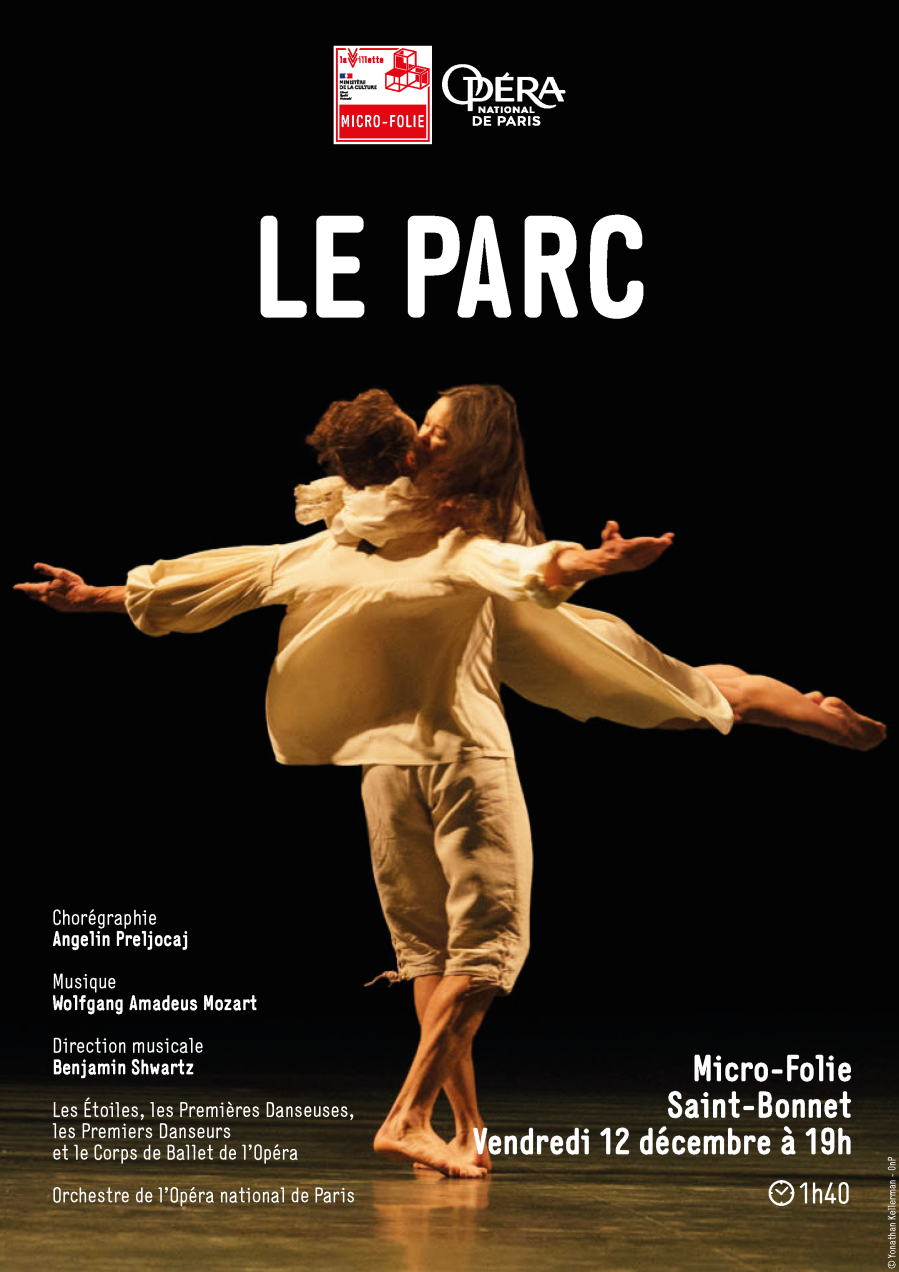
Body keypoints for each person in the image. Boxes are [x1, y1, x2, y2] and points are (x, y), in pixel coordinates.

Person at [15, 387, 885, 1179]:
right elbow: (233, 574)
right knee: (446, 954)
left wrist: (593, 564)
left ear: (464, 449)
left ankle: (804, 710)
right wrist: (95, 596)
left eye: (436, 430)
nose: (421, 437)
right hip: (419, 735)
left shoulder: (466, 537)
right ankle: (440, 1123)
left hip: (474, 674)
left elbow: (527, 568)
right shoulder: (346, 535)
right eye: (419, 427)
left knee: (663, 685)